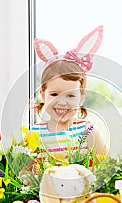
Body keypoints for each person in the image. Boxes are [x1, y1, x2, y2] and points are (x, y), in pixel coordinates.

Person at [31, 25, 107, 158]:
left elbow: (106, 166)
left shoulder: (86, 131)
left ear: (81, 98)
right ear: (43, 95)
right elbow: (26, 172)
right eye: (54, 94)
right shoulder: (36, 134)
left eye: (70, 95)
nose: (62, 102)